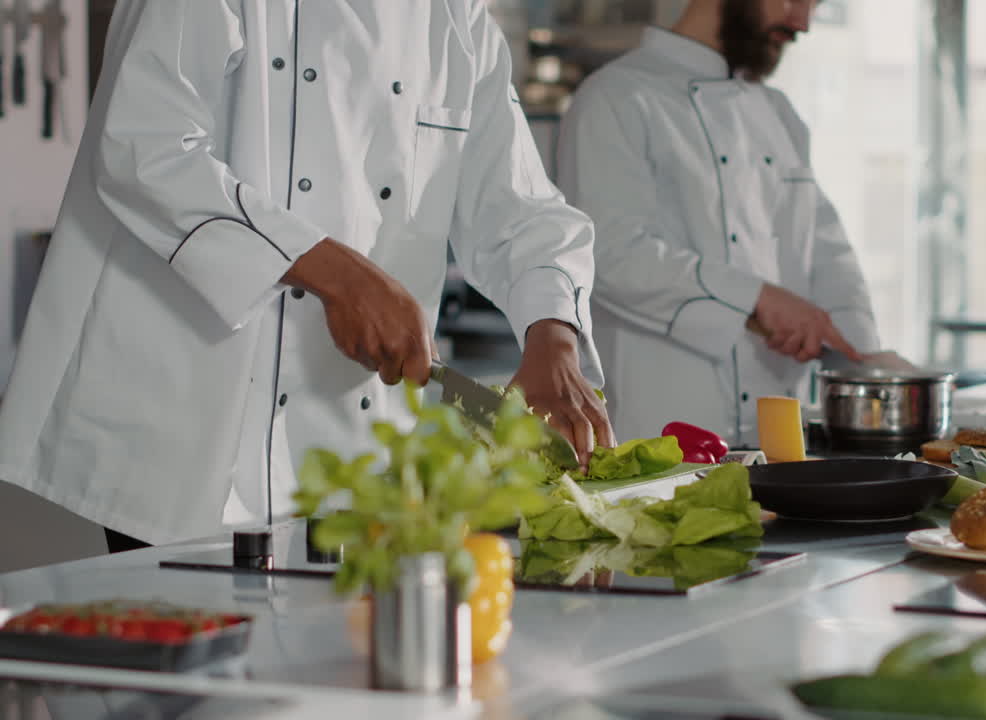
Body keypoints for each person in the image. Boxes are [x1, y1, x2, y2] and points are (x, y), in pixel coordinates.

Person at [0, 1, 614, 551]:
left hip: (347, 433)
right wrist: (340, 276)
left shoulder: (456, 17)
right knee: (188, 656)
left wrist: (552, 333)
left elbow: (522, 209)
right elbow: (144, 146)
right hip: (183, 422)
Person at [558, 0, 904, 446]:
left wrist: (870, 360)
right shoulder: (614, 98)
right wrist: (755, 298)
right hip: (662, 432)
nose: (802, 21)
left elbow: (826, 250)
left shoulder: (777, 112)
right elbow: (610, 253)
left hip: (775, 435)